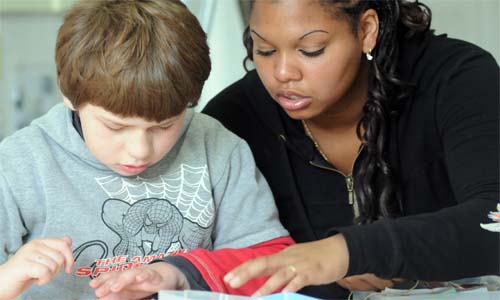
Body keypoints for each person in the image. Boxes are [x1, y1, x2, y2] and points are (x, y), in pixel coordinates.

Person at [201, 0, 500, 299]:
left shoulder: (456, 78)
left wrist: (351, 250)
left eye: (311, 49)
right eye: (265, 50)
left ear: (366, 30)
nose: (282, 73)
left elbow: (492, 217)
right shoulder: (232, 122)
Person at [0, 1, 293, 299]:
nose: (140, 151)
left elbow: (276, 267)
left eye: (164, 126)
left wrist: (177, 273)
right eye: (115, 127)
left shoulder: (218, 148)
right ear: (69, 94)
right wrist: (7, 277)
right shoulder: (20, 163)